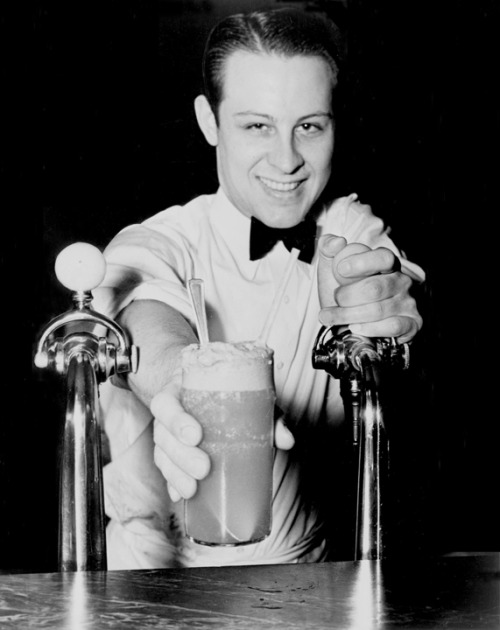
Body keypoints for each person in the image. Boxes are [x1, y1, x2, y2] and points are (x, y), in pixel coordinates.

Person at [93, 7, 424, 569]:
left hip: (308, 584)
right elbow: (143, 310)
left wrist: (374, 301)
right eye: (257, 126)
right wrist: (182, 386)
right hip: (153, 582)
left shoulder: (348, 230)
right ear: (208, 121)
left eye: (309, 126)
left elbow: (386, 279)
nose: (288, 159)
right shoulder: (160, 240)